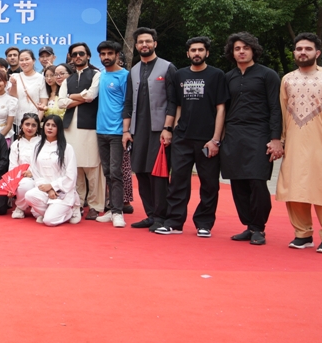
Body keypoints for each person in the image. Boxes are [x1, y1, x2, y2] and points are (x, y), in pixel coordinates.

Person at [277, 33, 322, 254]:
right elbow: (282, 113)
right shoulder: (287, 79)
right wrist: (281, 141)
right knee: (295, 188)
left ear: (317, 53)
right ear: (294, 53)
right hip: (294, 143)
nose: (302, 52)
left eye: (307, 49)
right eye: (299, 49)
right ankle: (303, 234)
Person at [157, 37, 228, 237]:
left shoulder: (217, 75)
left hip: (207, 140)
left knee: (209, 184)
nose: (197, 53)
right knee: (177, 181)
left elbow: (221, 108)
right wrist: (172, 129)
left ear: (207, 53)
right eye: (193, 50)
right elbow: (177, 105)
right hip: (182, 138)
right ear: (188, 53)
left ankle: (204, 223)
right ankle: (174, 222)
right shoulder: (180, 75)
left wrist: (216, 139)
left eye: (200, 50)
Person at [220, 33, 282, 246]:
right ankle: (248, 225)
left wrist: (276, 138)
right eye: (237, 48)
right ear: (232, 52)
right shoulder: (228, 77)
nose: (241, 52)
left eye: (246, 48)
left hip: (259, 134)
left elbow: (276, 108)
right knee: (237, 182)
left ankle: (258, 227)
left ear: (253, 50)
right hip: (233, 134)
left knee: (256, 181)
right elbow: (222, 109)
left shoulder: (268, 75)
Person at [122, 27, 177, 232]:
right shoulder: (134, 70)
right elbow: (128, 102)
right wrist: (126, 131)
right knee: (141, 171)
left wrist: (168, 128)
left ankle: (162, 216)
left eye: (148, 41)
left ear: (155, 43)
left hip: (159, 130)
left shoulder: (168, 67)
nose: (144, 45)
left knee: (158, 173)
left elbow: (173, 101)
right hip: (138, 130)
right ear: (136, 46)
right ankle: (151, 214)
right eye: (140, 42)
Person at [57, 43, 103, 220]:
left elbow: (91, 96)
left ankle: (95, 205)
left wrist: (70, 97)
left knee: (92, 167)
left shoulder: (96, 74)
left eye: (81, 53)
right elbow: (61, 103)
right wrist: (80, 97)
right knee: (74, 168)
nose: (78, 57)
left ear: (88, 56)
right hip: (70, 128)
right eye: (74, 54)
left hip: (89, 126)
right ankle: (78, 202)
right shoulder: (68, 80)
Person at [94, 41, 129, 228]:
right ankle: (111, 208)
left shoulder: (125, 76)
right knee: (107, 172)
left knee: (116, 172)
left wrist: (126, 131)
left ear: (117, 55)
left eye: (110, 53)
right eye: (103, 54)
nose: (106, 57)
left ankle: (118, 212)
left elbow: (129, 105)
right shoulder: (100, 76)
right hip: (100, 131)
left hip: (117, 132)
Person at [23, 114, 80, 226]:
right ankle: (50, 212)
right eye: (47, 125)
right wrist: (48, 189)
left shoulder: (67, 148)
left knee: (49, 221)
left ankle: (70, 211)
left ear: (59, 128)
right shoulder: (37, 147)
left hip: (62, 191)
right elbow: (36, 172)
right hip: (45, 190)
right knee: (29, 195)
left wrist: (53, 186)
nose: (49, 128)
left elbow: (71, 175)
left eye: (53, 126)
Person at [8, 113, 42, 219]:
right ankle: (20, 207)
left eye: (33, 125)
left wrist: (33, 173)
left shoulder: (43, 142)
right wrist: (11, 185)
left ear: (38, 127)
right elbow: (13, 166)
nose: (30, 128)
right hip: (22, 177)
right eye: (27, 124)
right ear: (22, 125)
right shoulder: (16, 144)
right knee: (25, 184)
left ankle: (37, 209)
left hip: (42, 176)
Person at [8, 50, 47, 127]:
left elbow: (43, 103)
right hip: (16, 122)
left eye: (27, 59)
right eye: (21, 60)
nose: (24, 62)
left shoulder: (41, 78)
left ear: (33, 61)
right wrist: (14, 85)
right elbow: (12, 97)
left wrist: (36, 123)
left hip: (33, 122)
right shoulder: (14, 77)